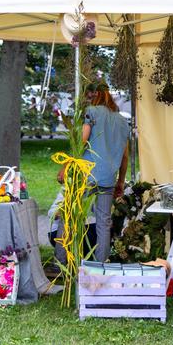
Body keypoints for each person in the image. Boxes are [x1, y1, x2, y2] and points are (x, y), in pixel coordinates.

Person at [55, 81, 130, 263]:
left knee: (69, 215)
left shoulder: (92, 112)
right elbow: (125, 156)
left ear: (94, 95)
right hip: (108, 178)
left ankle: (61, 261)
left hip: (86, 173)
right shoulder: (122, 121)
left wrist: (65, 166)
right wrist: (120, 181)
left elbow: (82, 141)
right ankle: (99, 265)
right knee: (103, 223)